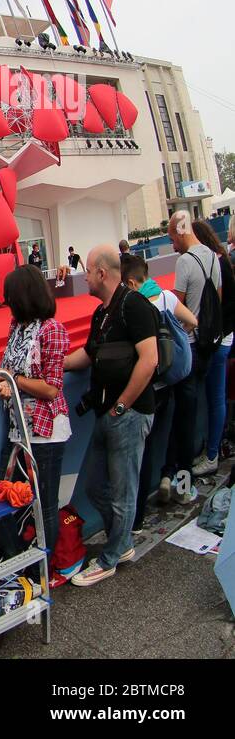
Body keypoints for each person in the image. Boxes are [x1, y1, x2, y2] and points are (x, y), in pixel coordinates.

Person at [63, 245, 157, 586]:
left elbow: (150, 359)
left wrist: (122, 406)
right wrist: (53, 365)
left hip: (127, 415)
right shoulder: (101, 314)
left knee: (122, 493)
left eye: (87, 270)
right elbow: (87, 355)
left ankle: (110, 557)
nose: (83, 276)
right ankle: (123, 542)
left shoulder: (135, 306)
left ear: (102, 273)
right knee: (95, 487)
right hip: (109, 415)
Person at [0, 265, 71, 557]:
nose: (7, 302)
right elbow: (7, 368)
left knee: (44, 504)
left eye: (10, 297)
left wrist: (13, 382)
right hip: (17, 427)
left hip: (46, 430)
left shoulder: (52, 330)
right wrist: (5, 381)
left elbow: (52, 388)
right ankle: (19, 561)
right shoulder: (17, 327)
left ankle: (41, 569)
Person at [120, 254, 195, 533]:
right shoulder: (165, 297)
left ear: (130, 282)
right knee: (178, 434)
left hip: (149, 389)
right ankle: (179, 484)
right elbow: (192, 321)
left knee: (144, 451)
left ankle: (137, 519)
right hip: (174, 380)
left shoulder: (134, 308)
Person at [163, 210, 221, 501]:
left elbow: (177, 309)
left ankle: (178, 482)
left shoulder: (185, 262)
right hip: (209, 345)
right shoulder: (214, 257)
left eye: (172, 237)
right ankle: (169, 474)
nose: (172, 243)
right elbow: (217, 301)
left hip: (188, 347)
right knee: (190, 414)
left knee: (182, 420)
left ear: (181, 231)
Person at [191, 220, 234, 477]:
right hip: (222, 337)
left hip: (219, 339)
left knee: (215, 397)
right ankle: (211, 449)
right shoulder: (219, 259)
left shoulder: (215, 263)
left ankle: (212, 454)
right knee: (214, 397)